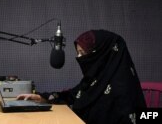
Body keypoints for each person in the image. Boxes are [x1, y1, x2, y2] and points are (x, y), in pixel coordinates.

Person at [17, 29, 146, 124]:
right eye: (78, 53)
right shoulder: (96, 80)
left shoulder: (121, 92)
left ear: (101, 55)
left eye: (83, 53)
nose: (79, 58)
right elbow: (73, 96)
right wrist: (42, 97)